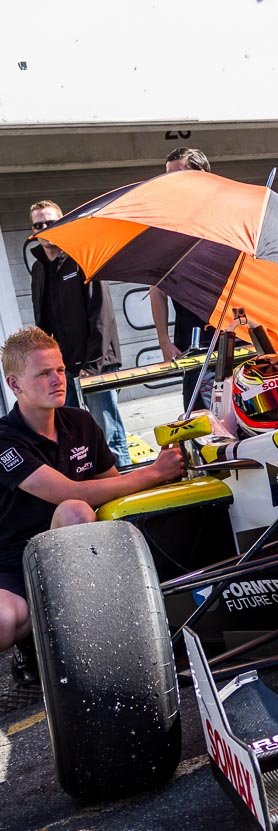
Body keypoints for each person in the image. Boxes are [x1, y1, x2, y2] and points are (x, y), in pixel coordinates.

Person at [0, 327, 184, 684]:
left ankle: (82, 643)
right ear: (15, 384)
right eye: (43, 373)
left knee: (79, 513)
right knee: (5, 621)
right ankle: (34, 645)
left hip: (79, 562)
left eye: (60, 369)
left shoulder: (81, 422)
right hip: (13, 565)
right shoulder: (4, 439)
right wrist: (155, 473)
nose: (58, 380)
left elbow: (111, 486)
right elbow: (69, 491)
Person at [29, 200, 132, 467]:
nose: (44, 228)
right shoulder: (40, 268)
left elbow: (102, 315)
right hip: (62, 369)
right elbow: (43, 324)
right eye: (38, 224)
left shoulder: (82, 256)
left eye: (50, 222)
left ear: (64, 222)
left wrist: (92, 365)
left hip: (95, 364)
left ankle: (128, 488)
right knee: (75, 437)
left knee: (108, 432)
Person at [150, 147, 214, 412]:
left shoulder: (227, 215)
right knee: (200, 422)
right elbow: (156, 289)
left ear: (202, 176)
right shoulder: (165, 226)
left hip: (239, 337)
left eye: (178, 175)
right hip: (193, 343)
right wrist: (164, 340)